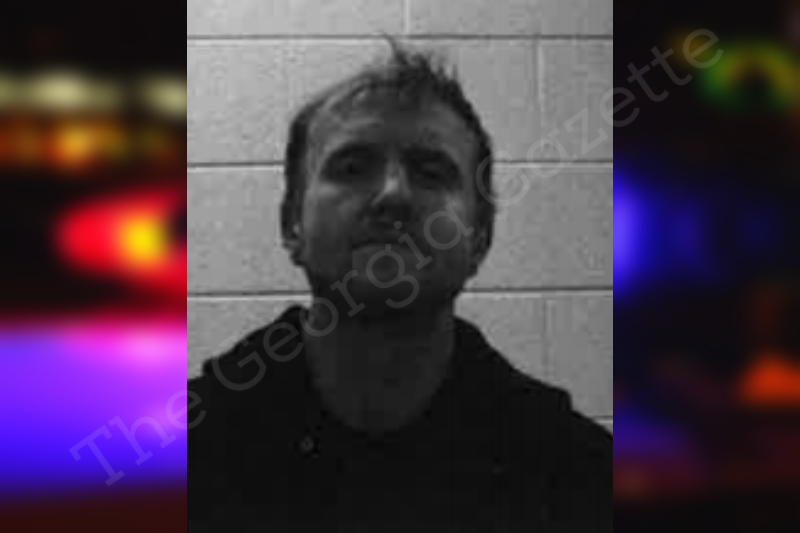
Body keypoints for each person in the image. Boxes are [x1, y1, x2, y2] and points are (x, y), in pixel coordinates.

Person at [187, 42, 611, 531]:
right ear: (291, 225)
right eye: (352, 167)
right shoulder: (182, 453)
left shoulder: (574, 475)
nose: (393, 194)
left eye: (431, 173)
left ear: (479, 238)